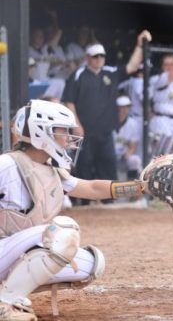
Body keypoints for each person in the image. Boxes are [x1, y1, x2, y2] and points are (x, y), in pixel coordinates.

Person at [0, 100, 150, 320]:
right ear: (42, 132)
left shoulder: (52, 171)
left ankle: (10, 292)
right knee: (62, 232)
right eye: (62, 130)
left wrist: (140, 187)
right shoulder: (7, 164)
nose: (69, 137)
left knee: (92, 262)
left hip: (10, 252)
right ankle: (6, 303)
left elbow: (91, 188)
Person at [62, 31, 151, 202]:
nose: (99, 59)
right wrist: (76, 125)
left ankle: (109, 202)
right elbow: (69, 101)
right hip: (85, 132)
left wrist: (140, 45)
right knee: (84, 168)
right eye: (95, 56)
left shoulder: (110, 72)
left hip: (105, 132)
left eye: (102, 56)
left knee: (108, 167)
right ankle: (85, 203)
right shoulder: (78, 75)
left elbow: (132, 66)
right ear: (87, 58)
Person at [113, 96, 142, 181]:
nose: (124, 110)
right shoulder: (109, 120)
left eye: (126, 107)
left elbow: (133, 145)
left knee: (135, 160)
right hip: (109, 156)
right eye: (121, 107)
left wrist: (127, 154)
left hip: (123, 156)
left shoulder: (133, 123)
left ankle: (130, 186)